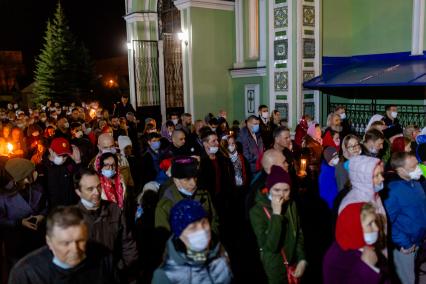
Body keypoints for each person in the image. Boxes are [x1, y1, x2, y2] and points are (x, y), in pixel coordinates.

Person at [8, 206, 119, 284]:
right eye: (65, 243)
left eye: (80, 240)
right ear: (49, 241)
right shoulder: (26, 273)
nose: (75, 249)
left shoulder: (103, 257)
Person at [74, 169, 139, 279]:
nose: (97, 192)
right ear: (78, 192)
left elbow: (128, 244)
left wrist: (125, 271)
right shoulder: (72, 218)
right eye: (90, 189)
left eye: (99, 186)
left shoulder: (114, 209)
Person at [152, 199, 232, 284]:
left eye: (204, 223)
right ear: (180, 235)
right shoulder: (166, 274)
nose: (202, 230)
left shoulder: (220, 252)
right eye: (193, 228)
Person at [250, 165, 306, 284]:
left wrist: (302, 259)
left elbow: (298, 232)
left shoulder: (291, 204)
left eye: (286, 190)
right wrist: (276, 214)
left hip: (292, 265)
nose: (281, 195)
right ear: (269, 189)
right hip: (273, 271)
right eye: (276, 190)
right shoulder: (257, 211)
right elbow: (271, 246)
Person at [384, 152, 426, 284]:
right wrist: (404, 243)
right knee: (408, 280)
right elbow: (387, 222)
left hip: (418, 240)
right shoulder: (393, 191)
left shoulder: (415, 183)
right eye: (413, 167)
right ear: (401, 170)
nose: (418, 169)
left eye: (417, 164)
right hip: (406, 246)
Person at [0, 158, 47, 275]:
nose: (35, 174)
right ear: (20, 178)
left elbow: (45, 206)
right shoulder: (3, 195)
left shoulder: (37, 186)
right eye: (30, 173)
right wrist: (20, 222)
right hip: (17, 243)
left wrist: (42, 215)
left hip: (37, 240)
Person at [323, 202, 388, 284]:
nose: (377, 228)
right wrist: (367, 267)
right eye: (370, 224)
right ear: (355, 227)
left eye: (375, 222)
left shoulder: (364, 247)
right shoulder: (337, 258)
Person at [155, 156, 219, 235]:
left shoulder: (204, 194)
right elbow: (164, 238)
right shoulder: (165, 205)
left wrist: (211, 239)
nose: (194, 184)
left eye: (195, 177)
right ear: (176, 180)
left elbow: (214, 219)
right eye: (187, 179)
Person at [45, 137, 79, 209]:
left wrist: (78, 162)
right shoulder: (44, 168)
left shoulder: (70, 163)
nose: (63, 158)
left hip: (71, 207)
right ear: (50, 151)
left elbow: (78, 180)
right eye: (59, 155)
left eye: (65, 155)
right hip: (56, 211)